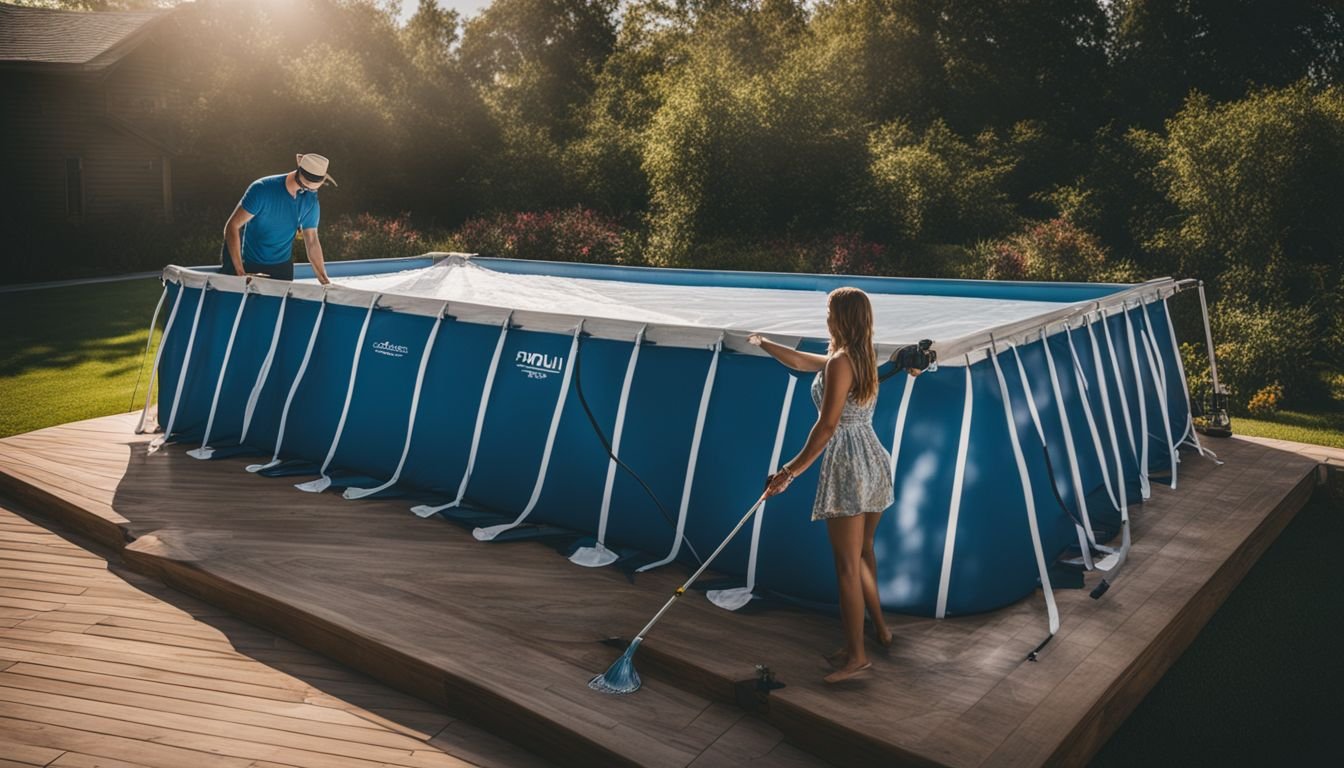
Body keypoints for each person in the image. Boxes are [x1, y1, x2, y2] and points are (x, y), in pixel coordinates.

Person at [751, 287, 918, 684]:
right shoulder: (858, 357)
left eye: (828, 311)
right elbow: (803, 361)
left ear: (840, 317)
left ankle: (857, 656)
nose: (825, 317)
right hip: (874, 459)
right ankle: (881, 631)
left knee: (846, 566)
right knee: (863, 553)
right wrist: (765, 343)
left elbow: (826, 428)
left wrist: (788, 472)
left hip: (848, 463)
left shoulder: (841, 362)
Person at [221, 153, 336, 284]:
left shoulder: (310, 200)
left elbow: (312, 240)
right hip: (250, 265)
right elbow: (232, 227)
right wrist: (240, 273)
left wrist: (324, 280)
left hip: (283, 269)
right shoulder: (263, 189)